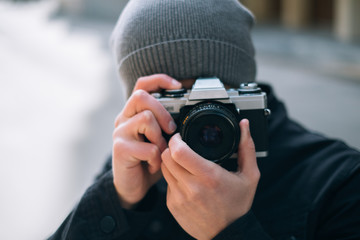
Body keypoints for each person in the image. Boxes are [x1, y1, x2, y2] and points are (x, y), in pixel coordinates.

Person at [50, 0, 360, 239]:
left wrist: (230, 230)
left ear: (247, 93)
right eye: (174, 105)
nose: (201, 128)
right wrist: (118, 201)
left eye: (213, 101)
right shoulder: (138, 165)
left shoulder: (340, 183)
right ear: (140, 109)